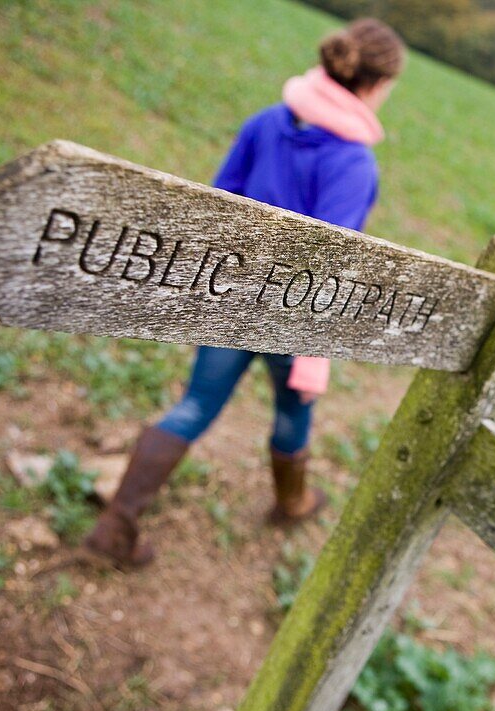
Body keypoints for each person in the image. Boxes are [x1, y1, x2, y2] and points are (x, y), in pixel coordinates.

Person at [84, 18, 406, 567]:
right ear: (376, 87)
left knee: (195, 405)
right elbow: (332, 262)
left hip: (231, 298)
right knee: (292, 408)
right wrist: (314, 352)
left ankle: (114, 528)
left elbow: (219, 205)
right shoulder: (353, 162)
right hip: (290, 320)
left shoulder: (267, 122)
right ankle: (292, 500)